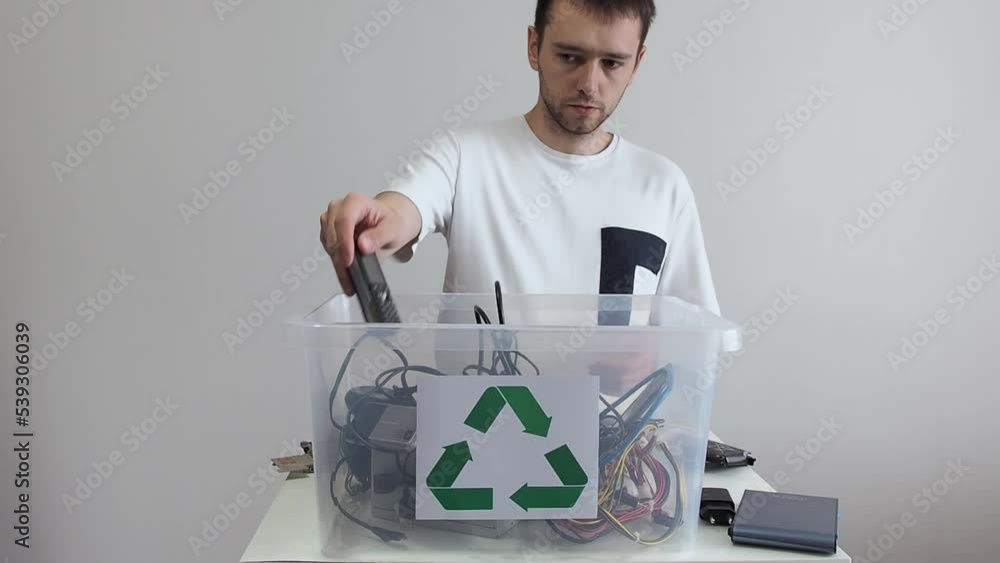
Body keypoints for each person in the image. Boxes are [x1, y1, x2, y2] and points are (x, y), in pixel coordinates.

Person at [320, 0, 720, 319]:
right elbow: (403, 210)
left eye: (612, 63)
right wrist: (374, 221)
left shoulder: (664, 185)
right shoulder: (464, 157)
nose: (589, 84)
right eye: (569, 57)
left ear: (637, 63)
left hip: (615, 422)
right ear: (534, 47)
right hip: (478, 420)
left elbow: (694, 338)